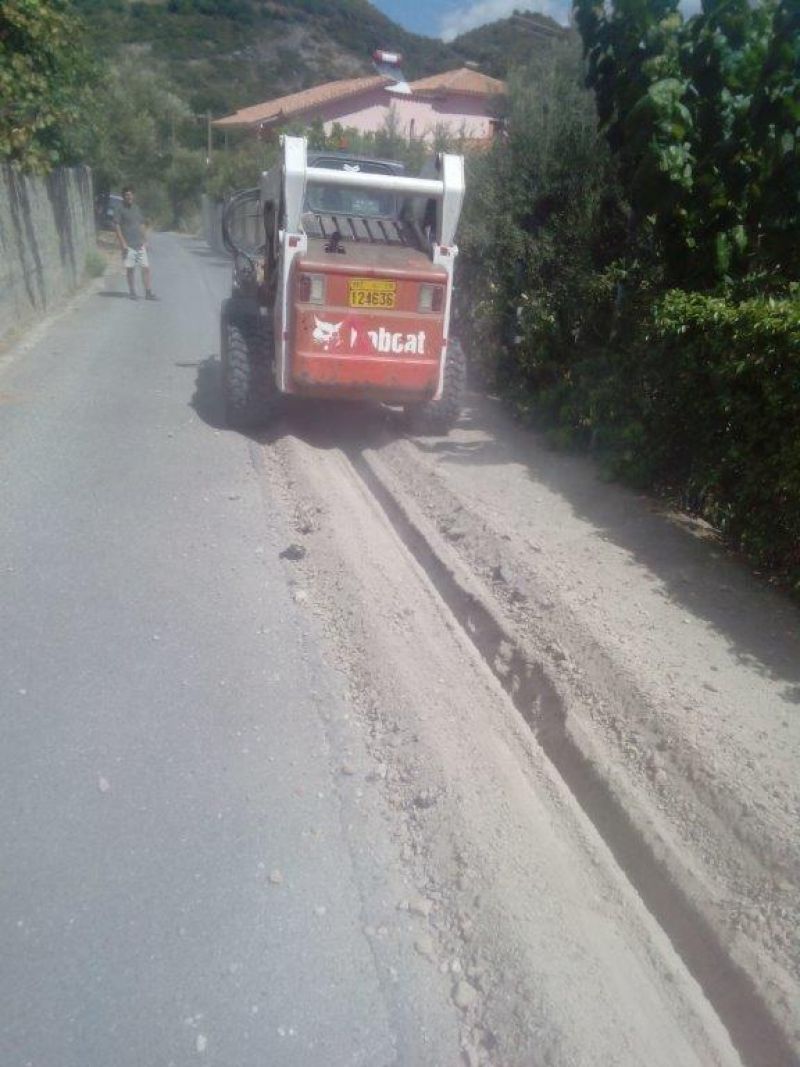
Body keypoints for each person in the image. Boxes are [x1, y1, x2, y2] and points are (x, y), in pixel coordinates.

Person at [113, 186, 157, 301]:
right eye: (127, 195)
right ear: (123, 196)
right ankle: (132, 291)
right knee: (131, 269)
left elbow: (141, 224)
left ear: (133, 196)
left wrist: (146, 240)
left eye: (131, 194)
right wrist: (122, 243)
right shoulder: (119, 209)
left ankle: (148, 292)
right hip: (128, 245)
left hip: (139, 244)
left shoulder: (137, 208)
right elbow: (117, 226)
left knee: (146, 268)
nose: (129, 197)